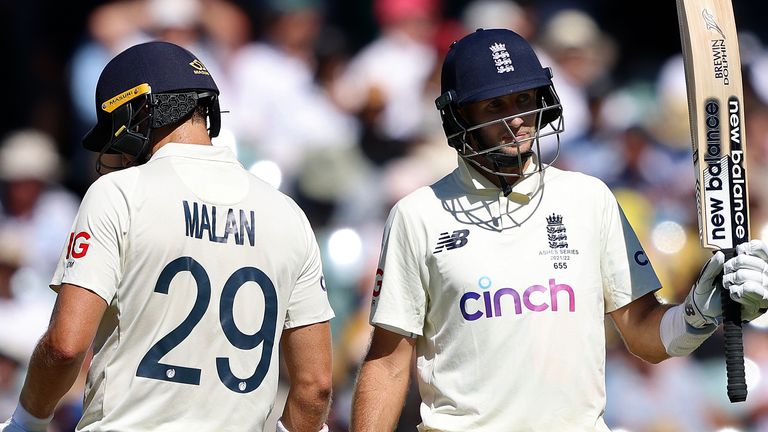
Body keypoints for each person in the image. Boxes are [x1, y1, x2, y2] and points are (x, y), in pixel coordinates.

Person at [350, 28, 768, 431]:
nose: (516, 120)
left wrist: (699, 313)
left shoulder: (589, 199)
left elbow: (641, 332)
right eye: (495, 107)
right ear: (459, 115)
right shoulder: (417, 215)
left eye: (524, 100)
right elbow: (387, 365)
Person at [1, 41, 333, 432]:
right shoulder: (289, 215)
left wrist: (26, 422)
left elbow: (65, 346)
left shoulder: (120, 193)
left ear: (137, 111)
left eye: (114, 131)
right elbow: (316, 387)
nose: (117, 152)